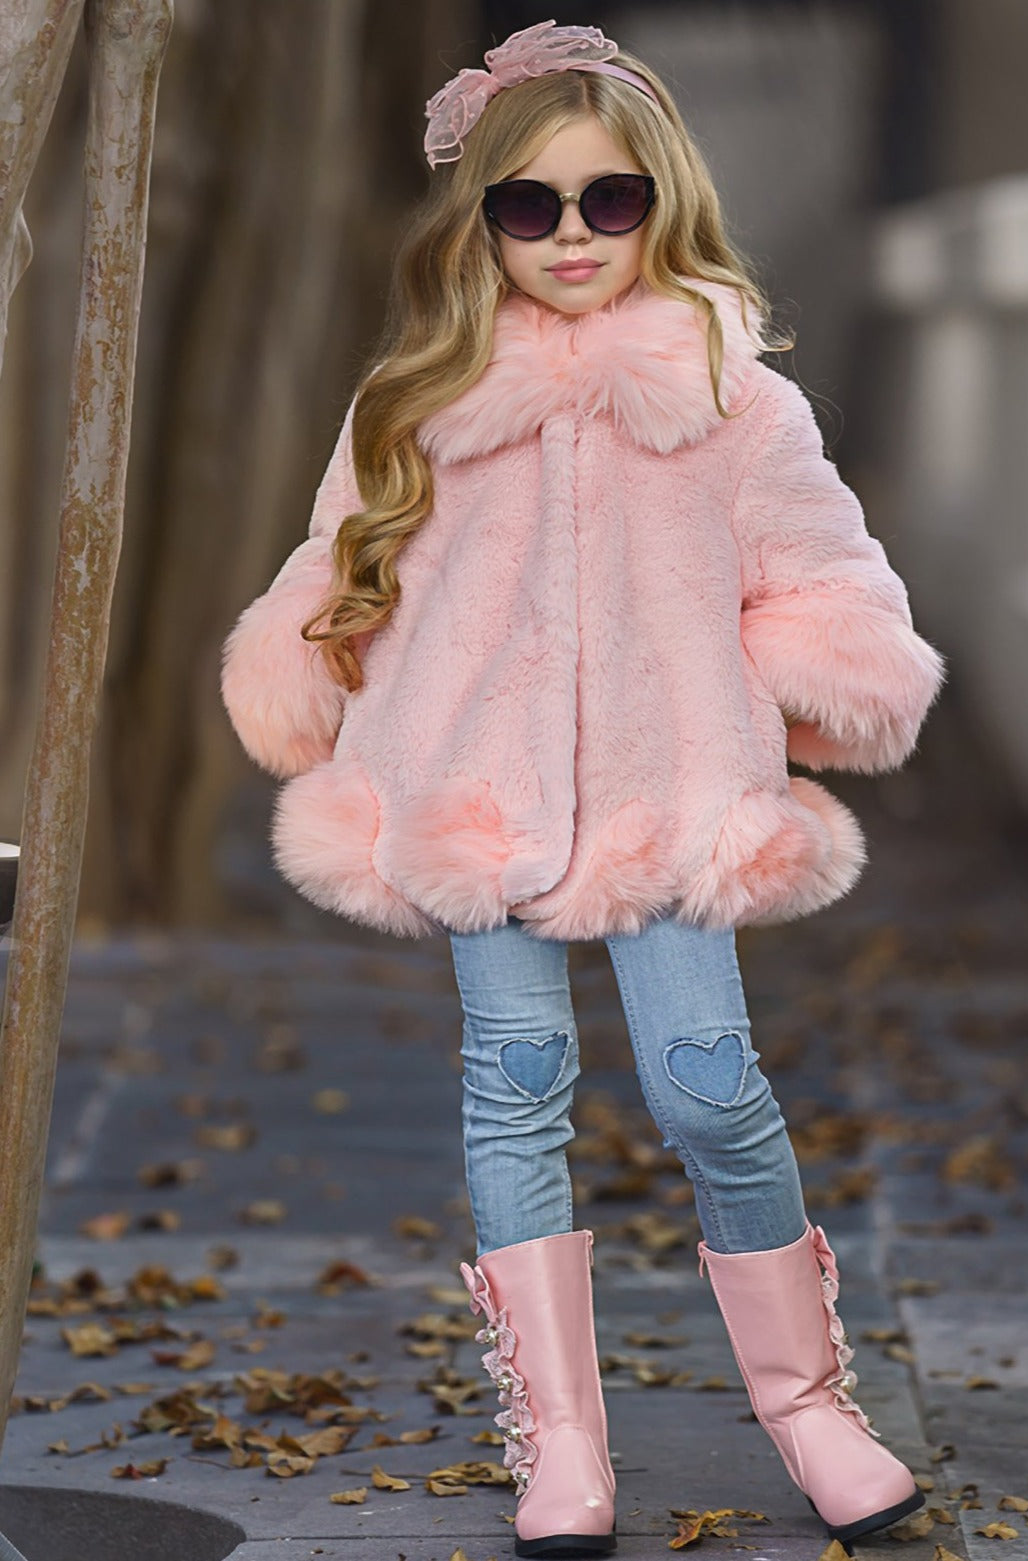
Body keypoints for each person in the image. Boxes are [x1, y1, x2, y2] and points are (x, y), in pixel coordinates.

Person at [219, 19, 945, 1559]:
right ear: (479, 218)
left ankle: (809, 1401)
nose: (569, 234)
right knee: (515, 1077)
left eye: (608, 200)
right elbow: (337, 566)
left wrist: (808, 674)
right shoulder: (417, 399)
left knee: (704, 1081)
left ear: (660, 205)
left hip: (667, 792)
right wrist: (310, 670)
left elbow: (821, 574)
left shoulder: (734, 402)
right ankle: (558, 1439)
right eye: (528, 204)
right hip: (472, 795)